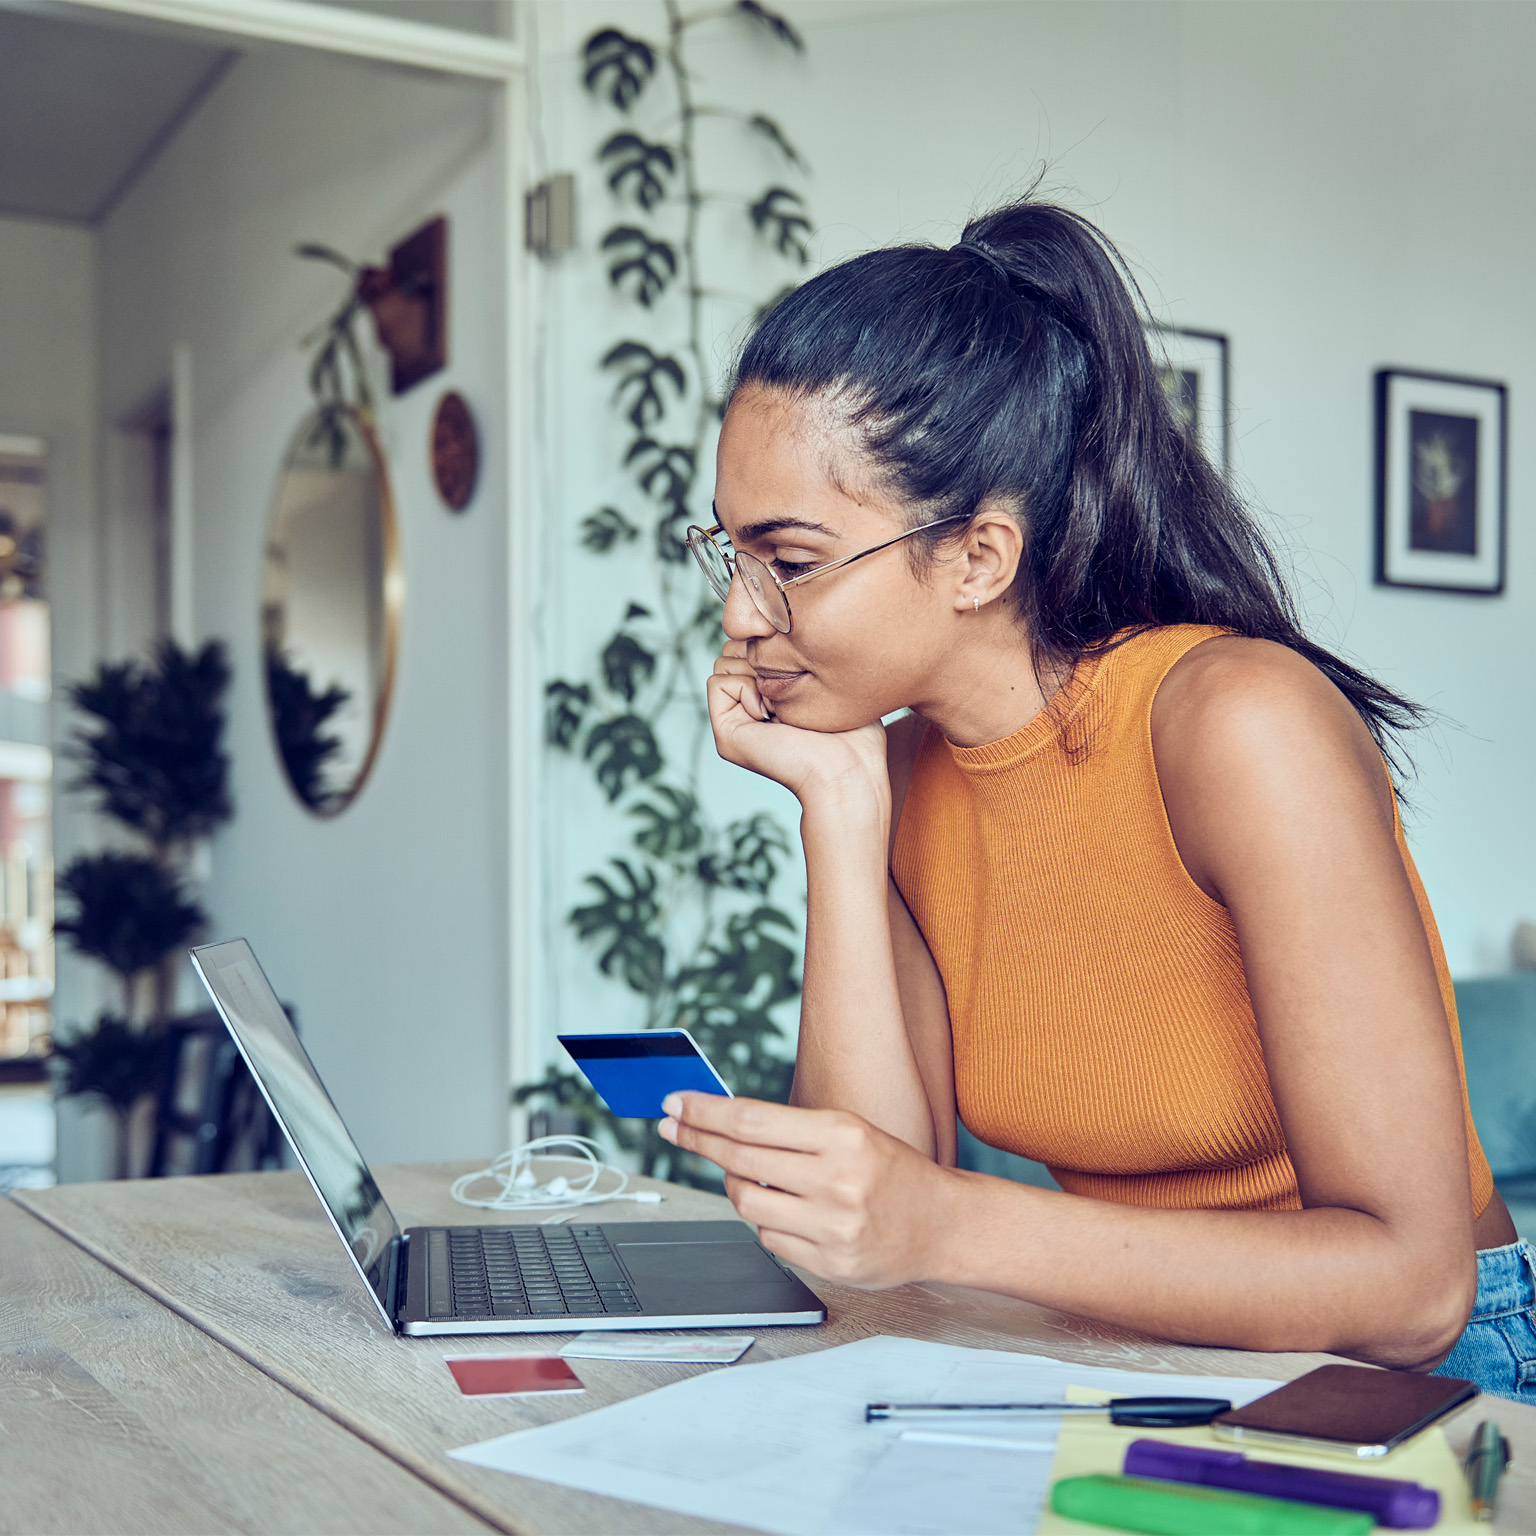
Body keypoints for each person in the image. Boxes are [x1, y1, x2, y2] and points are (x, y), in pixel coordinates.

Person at [657, 197, 1536, 1399]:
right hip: (1133, 1356)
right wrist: (837, 809)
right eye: (732, 555)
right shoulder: (905, 770)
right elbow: (876, 1258)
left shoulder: (1237, 725)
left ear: (977, 558)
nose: (741, 616)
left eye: (792, 561)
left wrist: (952, 1227)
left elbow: (1413, 1288)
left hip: (1422, 1382)